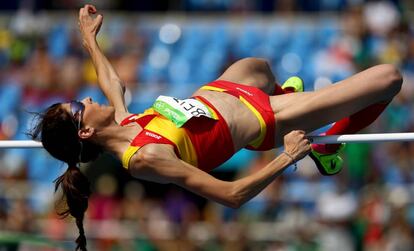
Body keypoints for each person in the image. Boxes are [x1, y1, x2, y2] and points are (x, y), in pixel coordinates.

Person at [30, 5, 403, 251]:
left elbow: (113, 83)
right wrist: (287, 155)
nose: (89, 100)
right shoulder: (144, 156)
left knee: (257, 67)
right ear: (85, 132)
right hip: (263, 117)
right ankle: (326, 145)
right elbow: (232, 194)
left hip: (225, 89)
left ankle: (289, 95)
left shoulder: (126, 121)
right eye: (81, 106)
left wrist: (89, 40)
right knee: (388, 78)